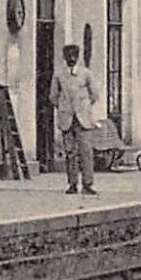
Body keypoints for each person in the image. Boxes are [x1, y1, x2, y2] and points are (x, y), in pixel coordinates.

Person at [50, 43, 101, 195]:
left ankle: (88, 184)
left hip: (83, 119)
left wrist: (84, 107)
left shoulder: (86, 74)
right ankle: (72, 184)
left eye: (74, 55)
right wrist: (63, 108)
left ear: (78, 57)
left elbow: (95, 94)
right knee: (70, 152)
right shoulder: (59, 75)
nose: (71, 58)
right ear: (64, 58)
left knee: (86, 151)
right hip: (67, 119)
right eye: (68, 56)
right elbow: (53, 96)